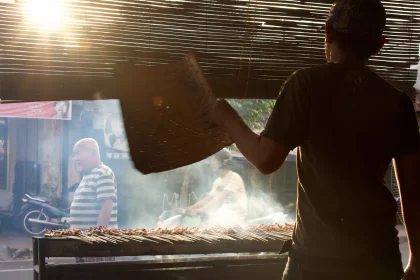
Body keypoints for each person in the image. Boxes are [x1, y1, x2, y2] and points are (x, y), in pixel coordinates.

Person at [200, 0, 420, 279]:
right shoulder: (397, 102)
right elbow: (413, 189)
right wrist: (417, 259)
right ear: (379, 44)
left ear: (327, 32)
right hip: (377, 258)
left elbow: (266, 160)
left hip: (318, 261)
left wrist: (228, 117)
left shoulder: (306, 85)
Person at [70, 138, 118, 262]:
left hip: (96, 247)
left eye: (78, 153)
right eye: (74, 154)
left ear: (93, 153)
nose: (75, 158)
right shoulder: (88, 174)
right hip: (84, 244)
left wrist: (96, 243)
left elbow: (106, 208)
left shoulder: (103, 173)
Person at [189, 148, 248, 226]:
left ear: (223, 162)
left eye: (214, 160)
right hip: (225, 213)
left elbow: (221, 196)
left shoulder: (234, 177)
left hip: (236, 216)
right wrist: (190, 208)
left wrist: (201, 210)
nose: (211, 163)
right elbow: (209, 198)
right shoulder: (218, 181)